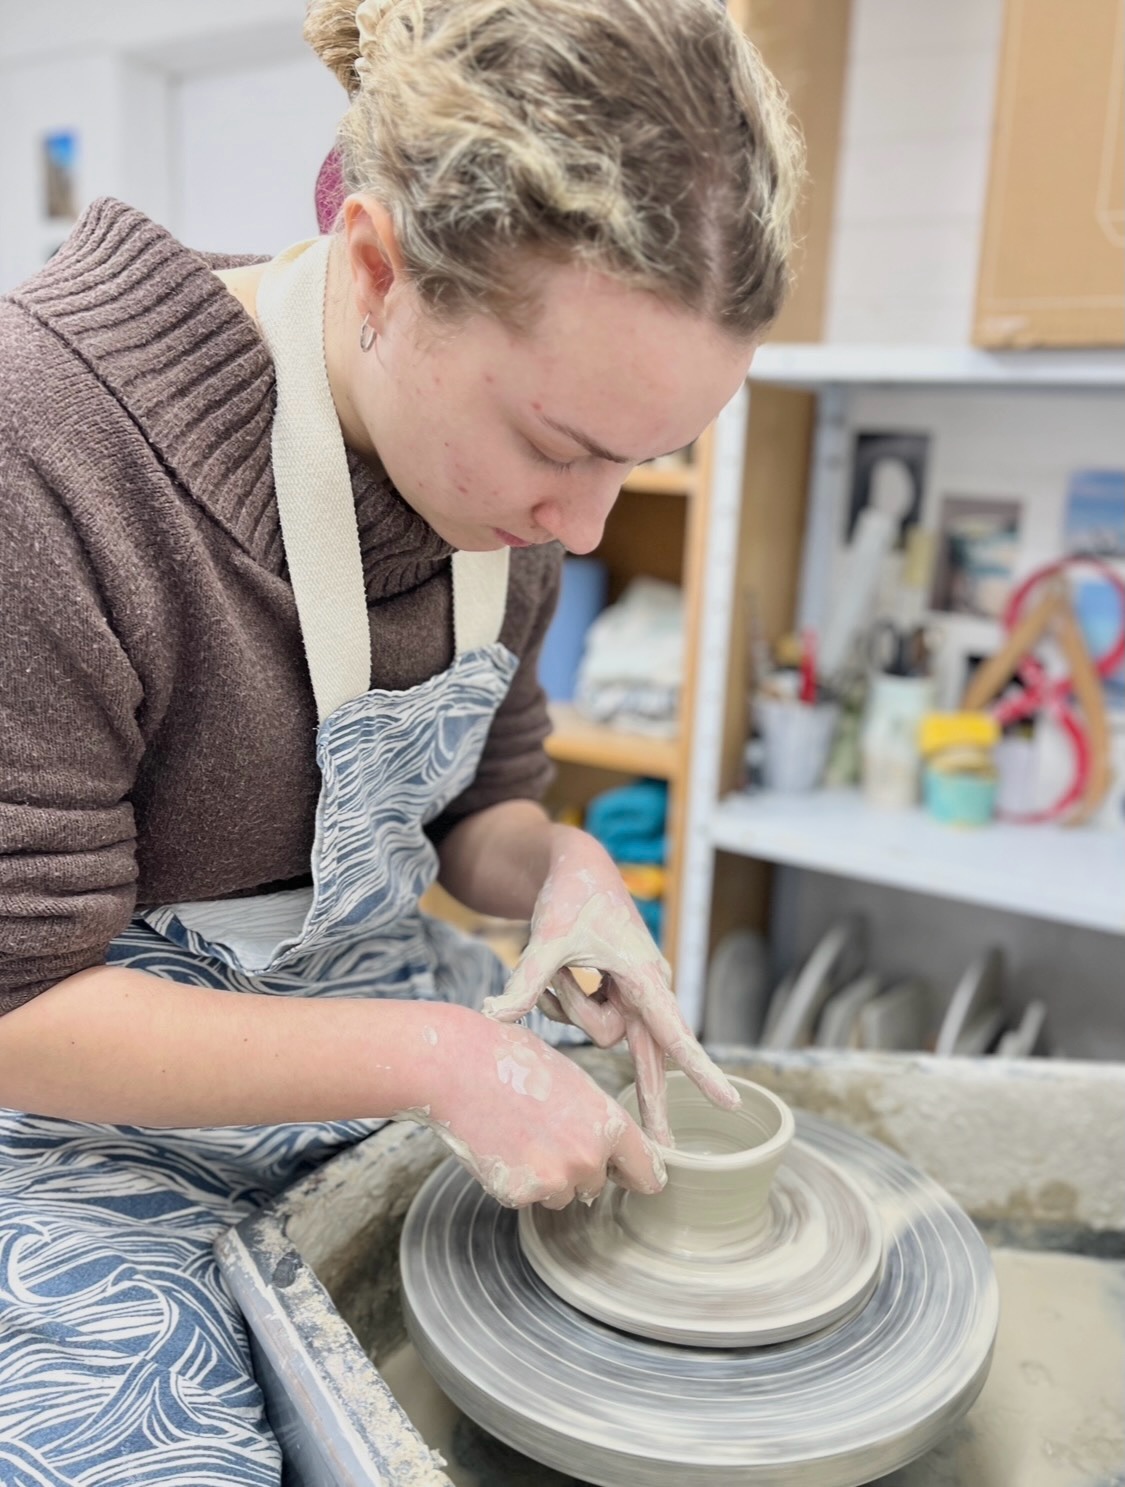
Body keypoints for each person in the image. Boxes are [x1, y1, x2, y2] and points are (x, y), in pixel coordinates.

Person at [0, 0, 803, 1479]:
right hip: (81, 1101)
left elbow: (472, 813)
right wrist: (437, 1058)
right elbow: (18, 1013)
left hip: (370, 1017)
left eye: (642, 461)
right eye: (562, 447)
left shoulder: (518, 507)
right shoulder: (42, 443)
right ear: (377, 269)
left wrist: (561, 871)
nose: (586, 523)